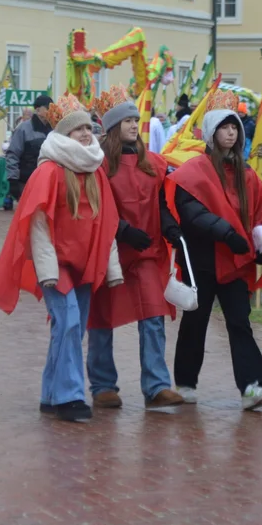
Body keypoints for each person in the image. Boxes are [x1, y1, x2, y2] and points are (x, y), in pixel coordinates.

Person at [0, 94, 122, 422]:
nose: (87, 134)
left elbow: (106, 224)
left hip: (86, 263)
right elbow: (38, 225)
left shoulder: (95, 170)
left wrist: (111, 266)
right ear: (64, 135)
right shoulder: (48, 171)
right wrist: (47, 269)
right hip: (57, 266)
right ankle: (69, 396)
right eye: (79, 130)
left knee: (71, 329)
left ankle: (51, 393)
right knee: (69, 321)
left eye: (89, 128)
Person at [167, 98, 262, 411]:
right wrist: (226, 234)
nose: (231, 133)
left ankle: (252, 386)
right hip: (203, 261)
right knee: (196, 323)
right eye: (224, 127)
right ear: (210, 132)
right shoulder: (193, 171)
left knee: (239, 322)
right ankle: (186, 383)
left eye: (235, 127)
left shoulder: (247, 175)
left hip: (237, 265)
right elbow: (192, 212)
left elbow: (260, 214)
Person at [86, 91, 184, 410]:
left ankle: (156, 385)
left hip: (146, 253)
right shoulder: (97, 164)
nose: (134, 125)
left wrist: (168, 224)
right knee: (102, 318)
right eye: (128, 120)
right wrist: (124, 231)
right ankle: (102, 385)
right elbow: (95, 207)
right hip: (110, 253)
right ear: (114, 127)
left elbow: (159, 200)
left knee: (153, 314)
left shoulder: (153, 163)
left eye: (135, 120)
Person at [6, 94, 53, 201]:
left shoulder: (54, 129)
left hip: (49, 182)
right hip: (27, 181)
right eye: (47, 108)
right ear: (37, 110)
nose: (51, 111)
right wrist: (12, 179)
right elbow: (13, 154)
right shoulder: (23, 128)